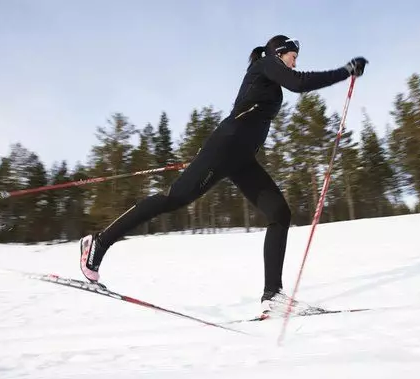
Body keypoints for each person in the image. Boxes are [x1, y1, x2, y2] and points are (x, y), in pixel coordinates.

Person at [79, 35, 368, 317]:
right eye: (293, 57)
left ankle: (273, 295)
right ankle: (99, 242)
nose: (294, 63)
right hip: (225, 147)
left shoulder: (271, 78)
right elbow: (300, 83)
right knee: (174, 199)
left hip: (242, 159)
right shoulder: (266, 64)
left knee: (279, 213)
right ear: (279, 52)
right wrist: (344, 71)